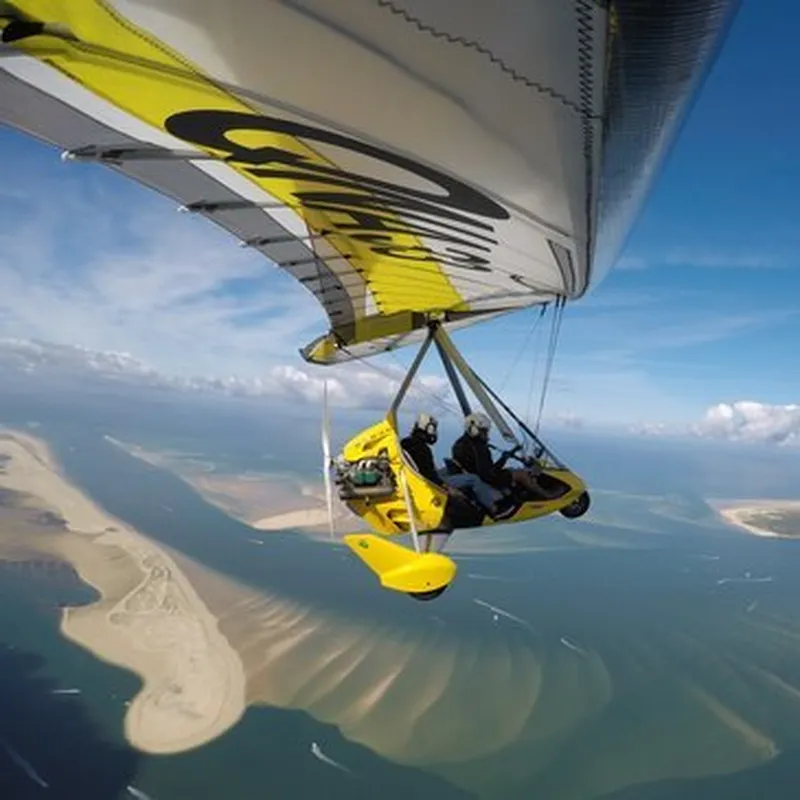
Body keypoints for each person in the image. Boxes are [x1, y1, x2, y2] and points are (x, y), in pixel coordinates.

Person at [451, 412, 545, 506]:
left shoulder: (460, 443)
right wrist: (506, 469)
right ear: (474, 430)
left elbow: (485, 468)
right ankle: (545, 495)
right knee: (521, 474)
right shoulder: (478, 448)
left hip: (478, 476)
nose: (486, 434)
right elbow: (488, 475)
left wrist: (503, 459)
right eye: (484, 431)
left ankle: (519, 493)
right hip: (486, 480)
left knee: (512, 471)